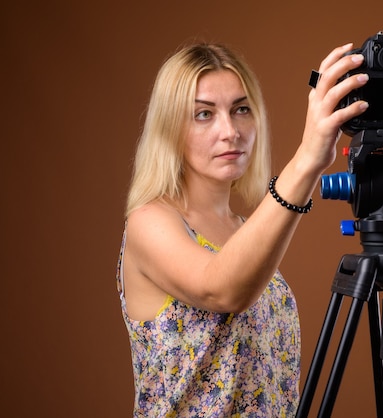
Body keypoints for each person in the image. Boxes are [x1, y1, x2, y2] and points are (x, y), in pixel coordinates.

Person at [116, 41, 369, 417]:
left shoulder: (247, 230)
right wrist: (308, 159)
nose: (230, 130)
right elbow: (221, 289)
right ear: (170, 127)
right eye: (203, 114)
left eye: (241, 109)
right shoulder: (150, 222)